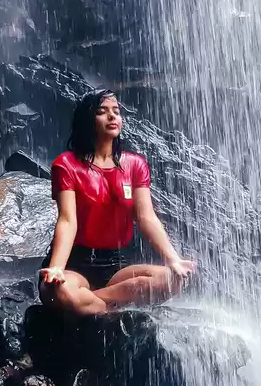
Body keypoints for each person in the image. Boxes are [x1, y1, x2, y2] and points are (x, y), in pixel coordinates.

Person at [38, 91, 196, 315]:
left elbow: (147, 217)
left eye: (116, 111)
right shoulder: (66, 164)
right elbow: (67, 220)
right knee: (60, 291)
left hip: (115, 265)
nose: (112, 117)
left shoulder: (135, 165)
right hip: (76, 263)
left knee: (173, 280)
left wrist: (173, 260)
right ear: (87, 119)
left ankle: (92, 303)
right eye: (102, 112)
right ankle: (112, 306)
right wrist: (56, 267)